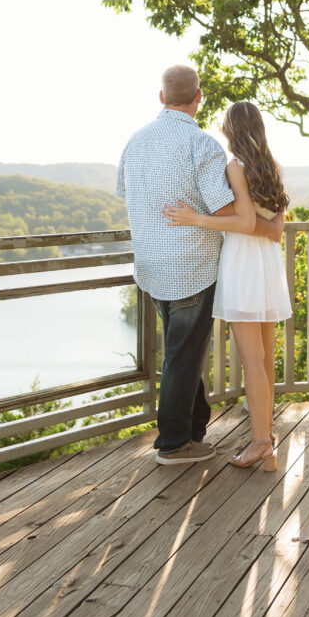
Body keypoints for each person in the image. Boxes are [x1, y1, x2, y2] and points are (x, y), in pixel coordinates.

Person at [116, 66, 283, 465]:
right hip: (190, 265)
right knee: (183, 355)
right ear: (198, 97)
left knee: (181, 351)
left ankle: (193, 429)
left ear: (161, 97)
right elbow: (232, 212)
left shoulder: (134, 142)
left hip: (151, 266)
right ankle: (174, 443)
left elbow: (126, 192)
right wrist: (271, 227)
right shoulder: (201, 144)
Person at [163, 100, 291, 473]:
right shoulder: (273, 168)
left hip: (243, 265)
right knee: (264, 359)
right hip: (266, 265)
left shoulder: (235, 167)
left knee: (252, 360)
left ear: (231, 130)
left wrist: (193, 218)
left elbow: (246, 222)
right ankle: (266, 438)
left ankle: (260, 443)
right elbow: (274, 231)